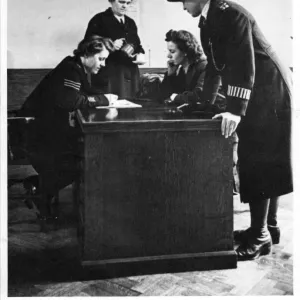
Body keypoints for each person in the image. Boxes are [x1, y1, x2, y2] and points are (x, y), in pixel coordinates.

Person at [167, 0, 293, 260]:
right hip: (260, 90)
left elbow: (245, 64)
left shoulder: (231, 14)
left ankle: (261, 235)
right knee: (262, 157)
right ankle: (266, 228)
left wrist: (235, 110)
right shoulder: (208, 19)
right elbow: (215, 67)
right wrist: (205, 103)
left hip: (268, 90)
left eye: (182, 0)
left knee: (260, 158)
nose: (182, 6)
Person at [19, 35, 117, 219]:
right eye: (101, 58)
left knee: (83, 156)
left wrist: (109, 97)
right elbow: (69, 101)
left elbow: (85, 93)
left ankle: (38, 187)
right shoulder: (70, 70)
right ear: (87, 54)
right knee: (84, 160)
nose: (103, 64)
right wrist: (104, 100)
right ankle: (39, 190)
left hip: (42, 130)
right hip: (34, 134)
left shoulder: (75, 67)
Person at [84, 0, 146, 99]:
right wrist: (109, 43)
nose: (125, 6)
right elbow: (87, 45)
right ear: (111, 1)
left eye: (128, 3)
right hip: (110, 75)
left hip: (131, 75)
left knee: (131, 108)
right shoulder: (99, 19)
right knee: (109, 109)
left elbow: (137, 44)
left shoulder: (130, 22)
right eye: (121, 2)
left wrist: (141, 54)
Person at [159, 29, 208, 106]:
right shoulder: (182, 69)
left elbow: (199, 96)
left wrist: (175, 97)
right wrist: (170, 75)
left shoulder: (204, 67)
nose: (168, 56)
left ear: (185, 51)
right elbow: (164, 95)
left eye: (172, 51)